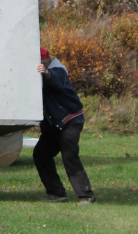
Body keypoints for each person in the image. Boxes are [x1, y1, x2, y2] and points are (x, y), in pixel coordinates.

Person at [33, 47, 95, 204]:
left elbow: (56, 80)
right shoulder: (39, 74)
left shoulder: (57, 69)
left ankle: (86, 195)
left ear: (45, 61)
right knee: (41, 153)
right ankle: (56, 193)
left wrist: (46, 73)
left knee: (69, 156)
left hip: (70, 121)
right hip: (55, 125)